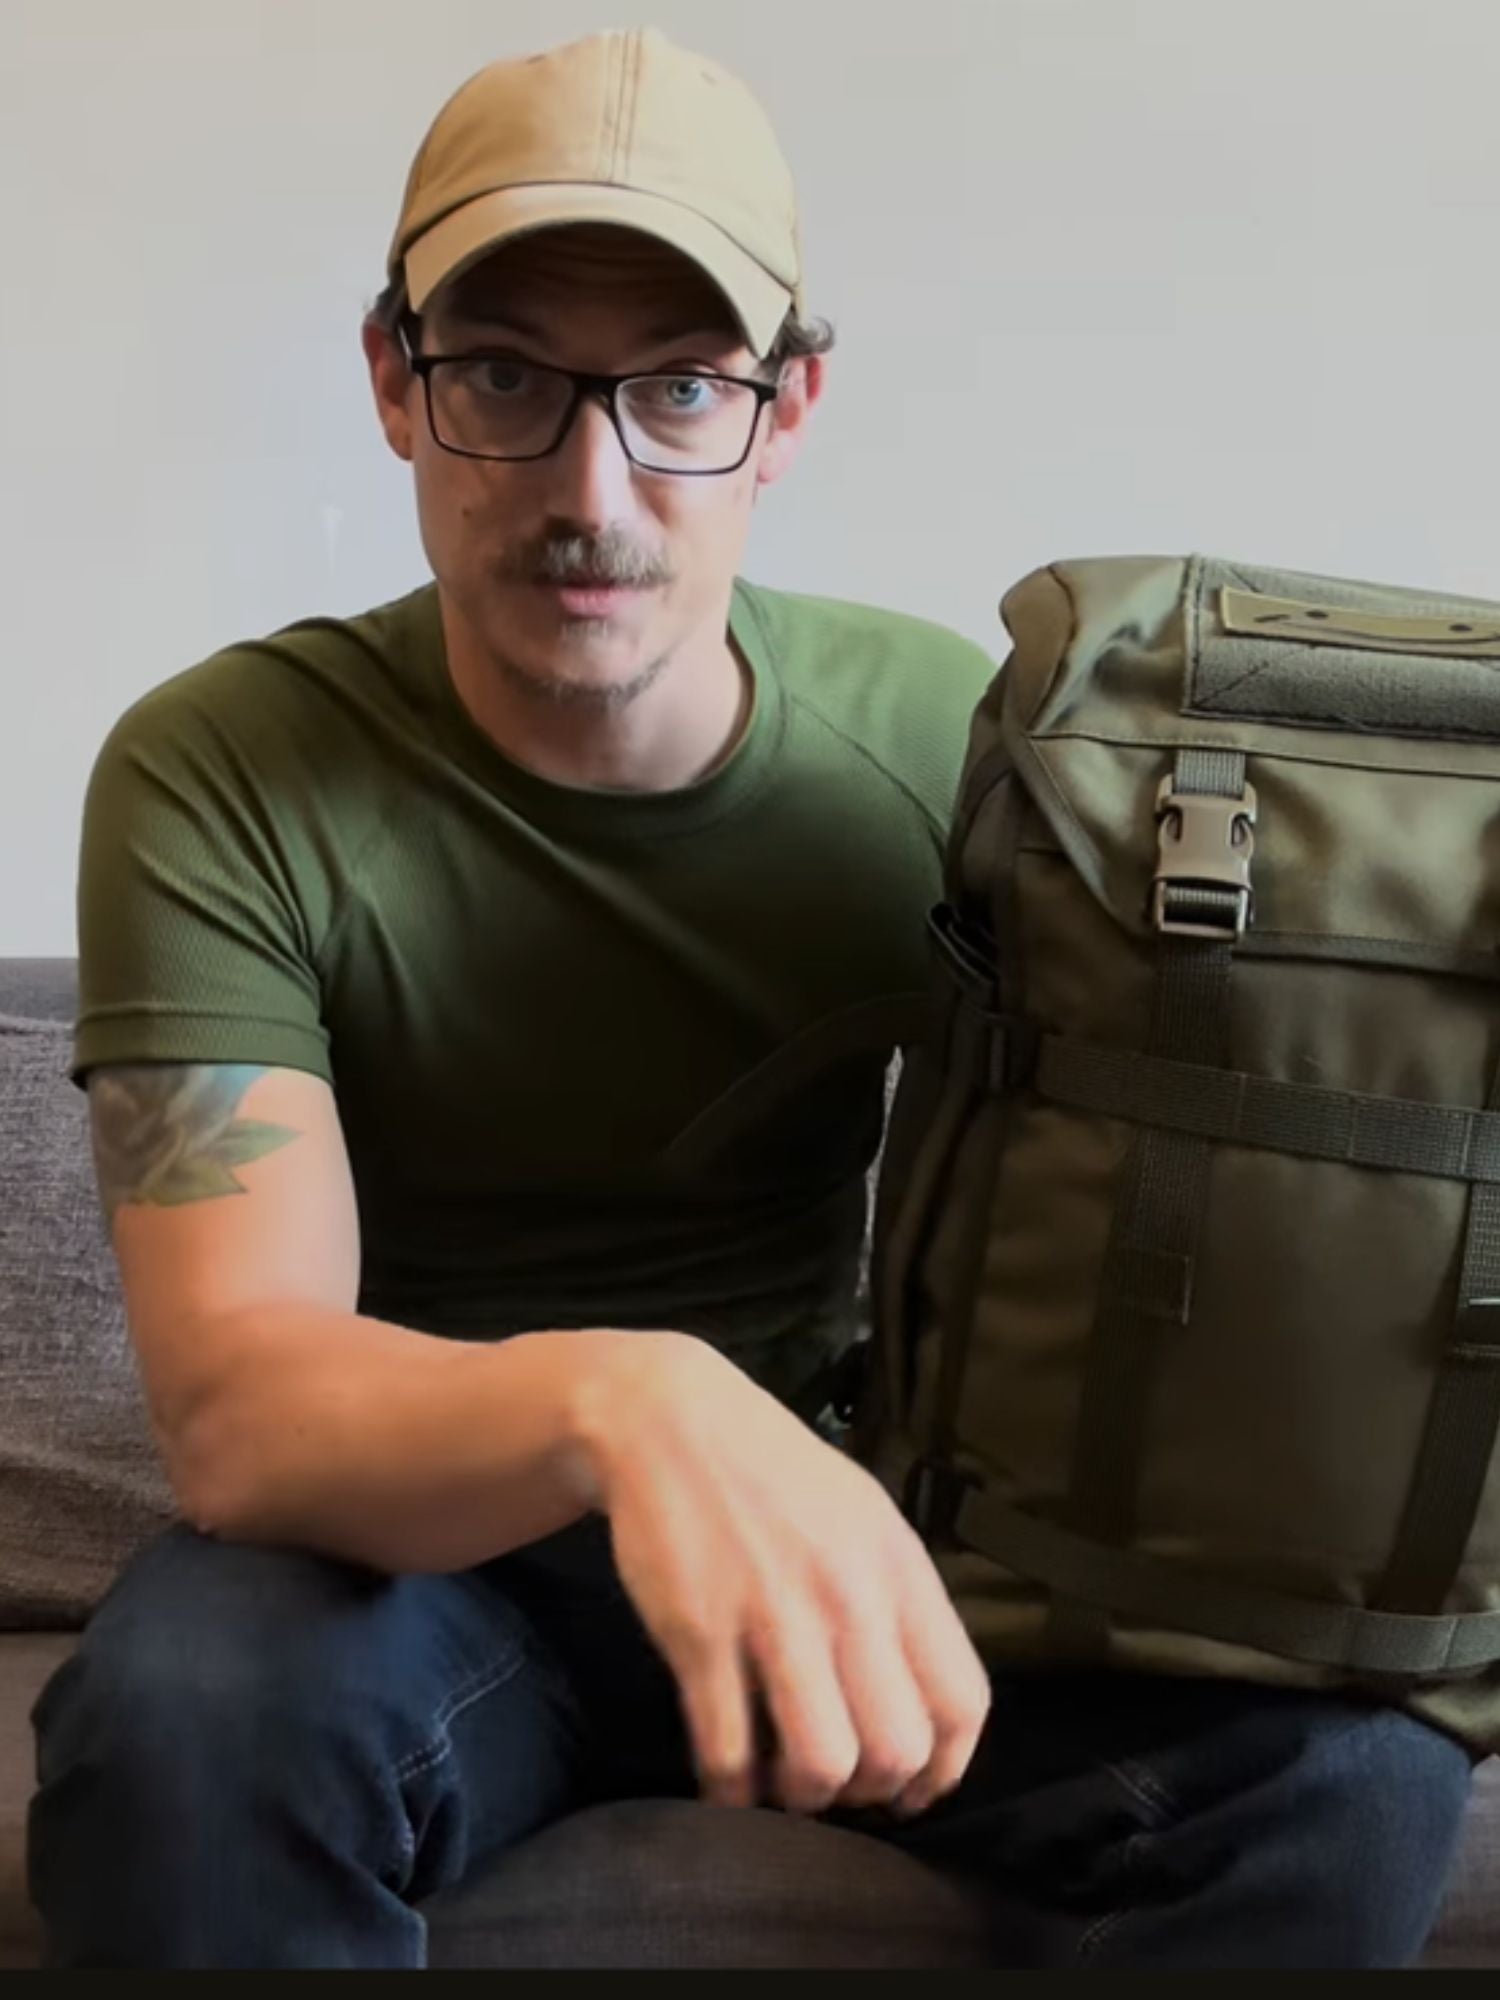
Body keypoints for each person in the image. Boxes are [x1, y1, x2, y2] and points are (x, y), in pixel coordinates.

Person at [27, 26, 1472, 1972]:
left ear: (785, 411)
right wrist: (632, 1400)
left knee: (1350, 1780)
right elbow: (242, 1406)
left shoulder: (952, 748)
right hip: (420, 1555)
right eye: (507, 377)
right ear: (394, 381)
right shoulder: (220, 771)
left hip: (858, 1529)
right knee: (182, 1727)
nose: (589, 486)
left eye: (682, 387)